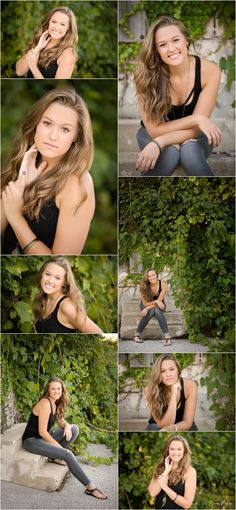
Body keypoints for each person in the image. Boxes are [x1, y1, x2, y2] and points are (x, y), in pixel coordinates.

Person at [1, 87, 95, 254]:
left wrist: (16, 217)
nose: (53, 136)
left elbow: (60, 259)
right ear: (36, 124)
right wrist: (21, 184)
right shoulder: (25, 160)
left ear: (76, 137)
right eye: (47, 123)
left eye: (65, 129)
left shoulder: (78, 182)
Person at [134, 15, 221, 176]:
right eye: (162, 44)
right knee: (170, 152)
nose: (171, 48)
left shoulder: (210, 71)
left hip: (194, 135)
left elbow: (197, 129)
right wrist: (197, 118)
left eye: (175, 40)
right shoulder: (145, 76)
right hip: (151, 134)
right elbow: (154, 131)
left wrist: (161, 142)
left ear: (186, 40)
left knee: (190, 149)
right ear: (156, 50)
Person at [22, 377, 108, 500]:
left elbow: (61, 421)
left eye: (59, 389)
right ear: (48, 390)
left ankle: (53, 456)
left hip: (45, 437)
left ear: (62, 390)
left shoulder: (55, 402)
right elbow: (42, 432)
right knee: (67, 454)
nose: (56, 391)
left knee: (74, 429)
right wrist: (60, 450)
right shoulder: (45, 403)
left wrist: (67, 426)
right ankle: (91, 487)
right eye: (53, 389)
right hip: (32, 441)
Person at [33, 257, 103, 334]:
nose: (50, 280)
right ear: (42, 274)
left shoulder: (67, 306)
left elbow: (98, 333)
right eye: (48, 274)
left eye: (57, 278)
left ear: (64, 282)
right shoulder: (43, 299)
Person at [15, 6, 78, 79]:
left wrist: (33, 67)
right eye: (54, 22)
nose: (57, 27)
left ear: (68, 28)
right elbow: (19, 72)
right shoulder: (40, 41)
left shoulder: (68, 54)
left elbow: (58, 88)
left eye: (62, 24)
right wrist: (38, 47)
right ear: (48, 22)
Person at [145, 354, 197, 431]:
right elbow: (163, 425)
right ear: (158, 374)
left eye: (171, 369)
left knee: (192, 428)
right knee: (154, 428)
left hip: (182, 425)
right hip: (159, 426)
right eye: (162, 371)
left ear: (178, 371)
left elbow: (188, 422)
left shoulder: (190, 385)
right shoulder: (150, 390)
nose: (168, 374)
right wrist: (174, 395)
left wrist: (173, 428)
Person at [148, 435, 196, 509]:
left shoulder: (190, 471)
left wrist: (165, 487)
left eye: (179, 449)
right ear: (168, 451)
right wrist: (166, 471)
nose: (175, 452)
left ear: (184, 451)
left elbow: (187, 504)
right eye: (172, 449)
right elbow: (152, 493)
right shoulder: (160, 467)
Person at [133, 268, 172, 345]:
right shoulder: (143, 285)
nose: (152, 277)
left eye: (153, 275)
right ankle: (137, 335)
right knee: (151, 311)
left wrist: (152, 305)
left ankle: (167, 337)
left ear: (157, 275)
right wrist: (155, 302)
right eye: (149, 276)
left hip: (159, 305)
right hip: (146, 304)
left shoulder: (163, 285)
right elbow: (145, 303)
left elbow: (160, 301)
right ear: (147, 278)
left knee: (156, 310)